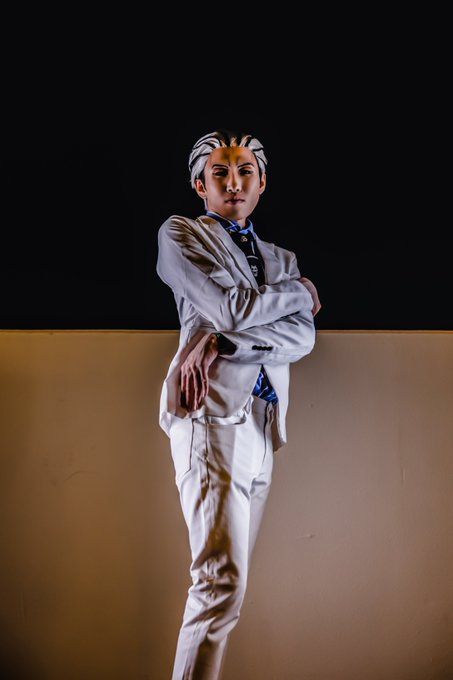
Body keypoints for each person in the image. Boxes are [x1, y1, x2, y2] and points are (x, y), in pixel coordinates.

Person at [156, 129, 321, 680]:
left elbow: (302, 338)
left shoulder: (281, 257)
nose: (233, 182)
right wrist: (300, 293)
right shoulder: (181, 234)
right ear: (199, 185)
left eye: (245, 171)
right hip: (210, 413)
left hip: (264, 426)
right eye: (220, 172)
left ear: (262, 182)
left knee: (229, 589)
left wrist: (225, 343)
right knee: (219, 583)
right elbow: (226, 307)